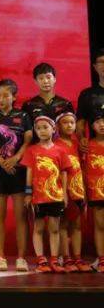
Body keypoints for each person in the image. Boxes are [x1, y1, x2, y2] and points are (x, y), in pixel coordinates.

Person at [0, 79, 30, 272]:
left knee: (21, 216)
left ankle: (21, 258)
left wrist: (16, 158)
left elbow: (27, 141)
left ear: (14, 97)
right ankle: (0, 258)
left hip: (19, 171)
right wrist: (2, 162)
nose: (1, 99)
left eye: (5, 95)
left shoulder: (23, 116)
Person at [21, 116, 70, 273]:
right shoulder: (31, 150)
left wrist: (64, 194)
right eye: (38, 128)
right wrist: (28, 193)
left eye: (45, 127)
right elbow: (29, 173)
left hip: (56, 196)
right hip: (38, 196)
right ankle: (41, 260)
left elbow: (64, 173)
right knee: (38, 228)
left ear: (53, 129)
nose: (42, 131)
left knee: (54, 228)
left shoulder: (60, 150)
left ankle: (54, 259)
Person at [54, 112, 90, 272]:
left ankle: (78, 257)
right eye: (65, 123)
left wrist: (84, 190)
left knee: (76, 225)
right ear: (57, 126)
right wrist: (61, 193)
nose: (69, 125)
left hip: (78, 190)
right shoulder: (55, 145)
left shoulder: (78, 144)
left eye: (72, 122)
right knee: (63, 224)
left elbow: (82, 167)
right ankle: (66, 257)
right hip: (63, 191)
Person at [83, 109, 104, 268]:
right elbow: (83, 170)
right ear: (91, 126)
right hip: (96, 193)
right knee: (100, 225)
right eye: (97, 122)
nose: (102, 125)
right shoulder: (87, 146)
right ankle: (101, 258)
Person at [76, 49, 104, 144]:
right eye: (101, 62)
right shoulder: (87, 94)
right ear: (95, 67)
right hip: (96, 149)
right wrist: (82, 139)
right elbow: (80, 123)